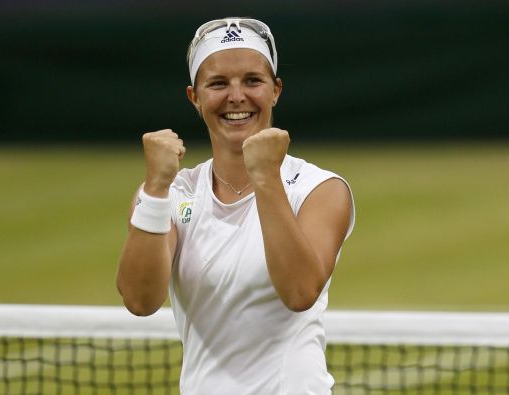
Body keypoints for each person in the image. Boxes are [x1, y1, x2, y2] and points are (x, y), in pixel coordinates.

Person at [116, 17, 355, 394]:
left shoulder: (320, 189)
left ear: (275, 91)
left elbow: (299, 291)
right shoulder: (173, 192)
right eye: (218, 84)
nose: (237, 96)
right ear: (195, 97)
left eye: (252, 81)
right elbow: (140, 300)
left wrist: (265, 178)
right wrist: (155, 187)